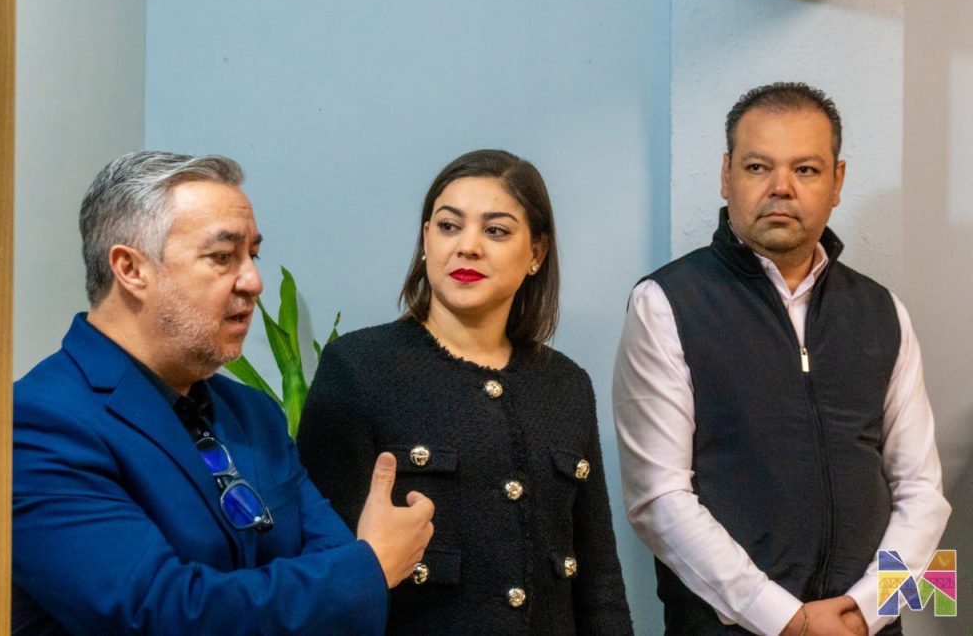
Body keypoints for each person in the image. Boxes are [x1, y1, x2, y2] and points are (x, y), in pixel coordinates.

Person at [12, 151, 435, 635]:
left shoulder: (255, 415)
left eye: (252, 255)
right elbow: (162, 614)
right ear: (130, 269)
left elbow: (330, 567)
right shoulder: (40, 422)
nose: (253, 281)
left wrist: (348, 572)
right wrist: (372, 564)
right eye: (222, 257)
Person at [613, 83, 951, 635]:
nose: (781, 188)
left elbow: (922, 494)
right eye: (757, 167)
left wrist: (867, 610)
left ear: (837, 181)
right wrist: (786, 619)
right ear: (726, 176)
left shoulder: (882, 310)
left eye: (806, 170)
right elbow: (658, 499)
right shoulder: (666, 302)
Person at [297, 149, 633, 634]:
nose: (468, 247)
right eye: (449, 226)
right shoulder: (360, 367)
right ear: (426, 238)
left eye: (496, 231)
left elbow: (598, 578)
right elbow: (324, 569)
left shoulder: (566, 384)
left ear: (536, 253)